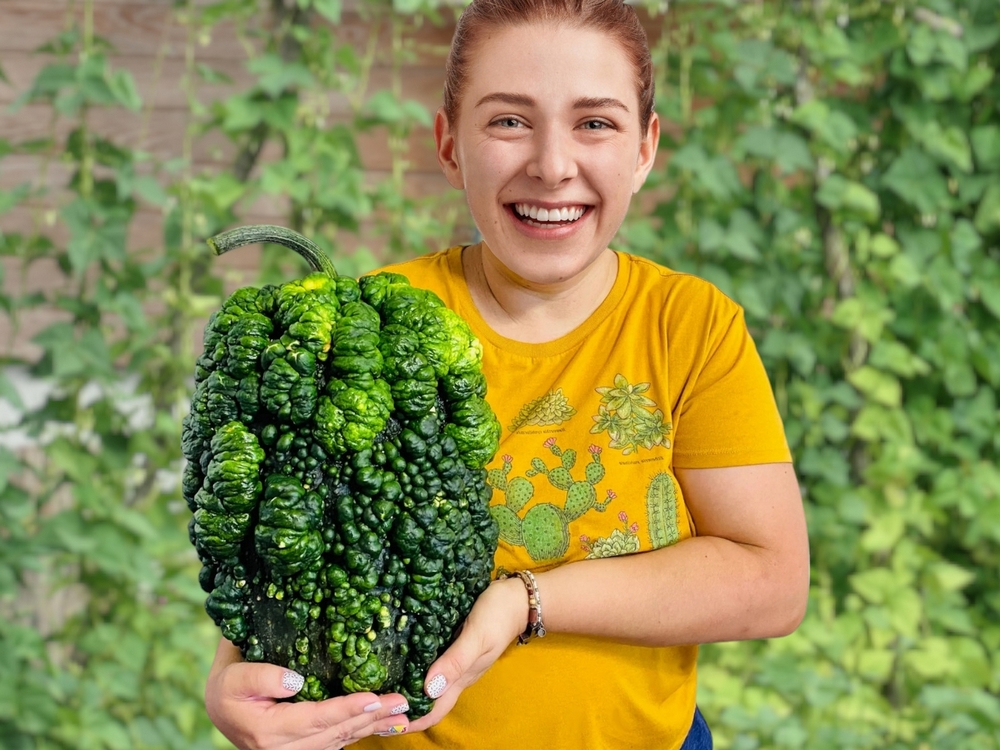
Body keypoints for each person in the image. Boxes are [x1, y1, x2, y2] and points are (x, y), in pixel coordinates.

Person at [204, 1, 811, 748]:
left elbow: (772, 583)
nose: (553, 165)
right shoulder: (369, 330)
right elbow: (290, 551)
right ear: (449, 142)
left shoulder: (690, 326)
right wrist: (239, 683)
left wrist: (526, 601)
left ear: (646, 148)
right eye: (509, 122)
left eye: (595, 123)